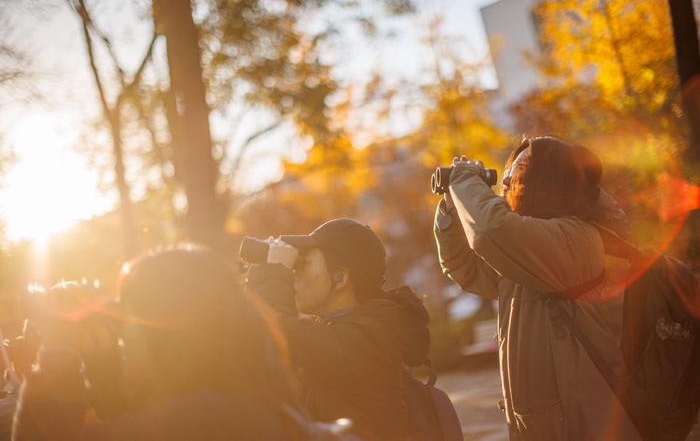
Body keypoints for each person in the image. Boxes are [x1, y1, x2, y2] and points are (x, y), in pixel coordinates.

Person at [433, 136, 641, 441]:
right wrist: (452, 207)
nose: (503, 187)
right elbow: (465, 268)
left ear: (544, 183)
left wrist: (465, 178)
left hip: (587, 427)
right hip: (549, 426)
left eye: (512, 178)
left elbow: (492, 231)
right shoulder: (532, 253)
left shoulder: (576, 239)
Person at [13, 246, 319, 441]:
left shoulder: (204, 421)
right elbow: (140, 421)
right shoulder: (244, 403)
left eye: (131, 319)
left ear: (167, 330)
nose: (123, 336)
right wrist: (103, 365)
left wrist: (57, 352)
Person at [245, 218, 431, 441]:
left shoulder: (368, 338)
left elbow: (280, 335)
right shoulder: (339, 331)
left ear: (340, 277)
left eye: (303, 263)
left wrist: (273, 273)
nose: (295, 274)